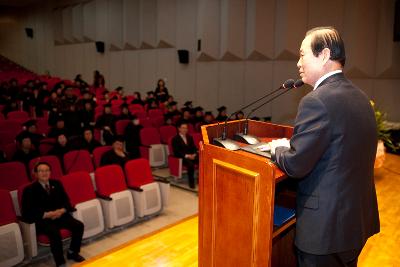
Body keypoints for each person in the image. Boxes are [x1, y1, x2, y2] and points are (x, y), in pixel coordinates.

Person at [270, 27, 379, 267]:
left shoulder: (316, 101)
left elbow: (296, 164)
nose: (298, 63)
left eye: (302, 54)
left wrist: (276, 149)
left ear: (324, 54)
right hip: (354, 225)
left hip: (325, 231)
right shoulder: (361, 98)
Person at [21, 162, 85, 267]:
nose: (44, 173)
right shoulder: (29, 190)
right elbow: (27, 212)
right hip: (43, 220)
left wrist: (61, 211)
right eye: (41, 171)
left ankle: (72, 252)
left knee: (79, 225)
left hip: (60, 215)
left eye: (47, 170)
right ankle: (60, 262)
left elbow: (67, 202)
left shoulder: (57, 183)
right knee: (54, 232)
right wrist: (47, 214)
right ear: (35, 174)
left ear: (50, 172)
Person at [171, 121, 198, 189]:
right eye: (183, 128)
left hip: (191, 155)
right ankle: (191, 182)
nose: (185, 129)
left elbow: (194, 147)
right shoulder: (175, 139)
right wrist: (188, 156)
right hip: (182, 157)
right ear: (179, 129)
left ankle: (201, 179)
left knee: (203, 160)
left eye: (186, 128)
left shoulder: (189, 137)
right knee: (190, 164)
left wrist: (194, 154)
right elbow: (177, 152)